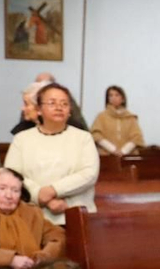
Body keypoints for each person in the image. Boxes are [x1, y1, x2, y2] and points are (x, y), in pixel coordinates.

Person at [6, 84, 99, 224]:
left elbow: (89, 174)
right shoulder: (22, 139)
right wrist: (39, 195)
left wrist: (53, 190)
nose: (59, 107)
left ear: (70, 110)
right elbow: (12, 174)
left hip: (75, 216)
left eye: (64, 104)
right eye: (52, 103)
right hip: (32, 217)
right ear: (38, 109)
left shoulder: (83, 138)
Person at [92, 85, 144, 155]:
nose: (114, 98)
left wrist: (124, 151)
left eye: (117, 95)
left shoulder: (130, 118)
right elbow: (96, 135)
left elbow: (136, 137)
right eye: (110, 95)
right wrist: (112, 149)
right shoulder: (101, 117)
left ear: (123, 99)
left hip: (127, 156)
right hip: (106, 156)